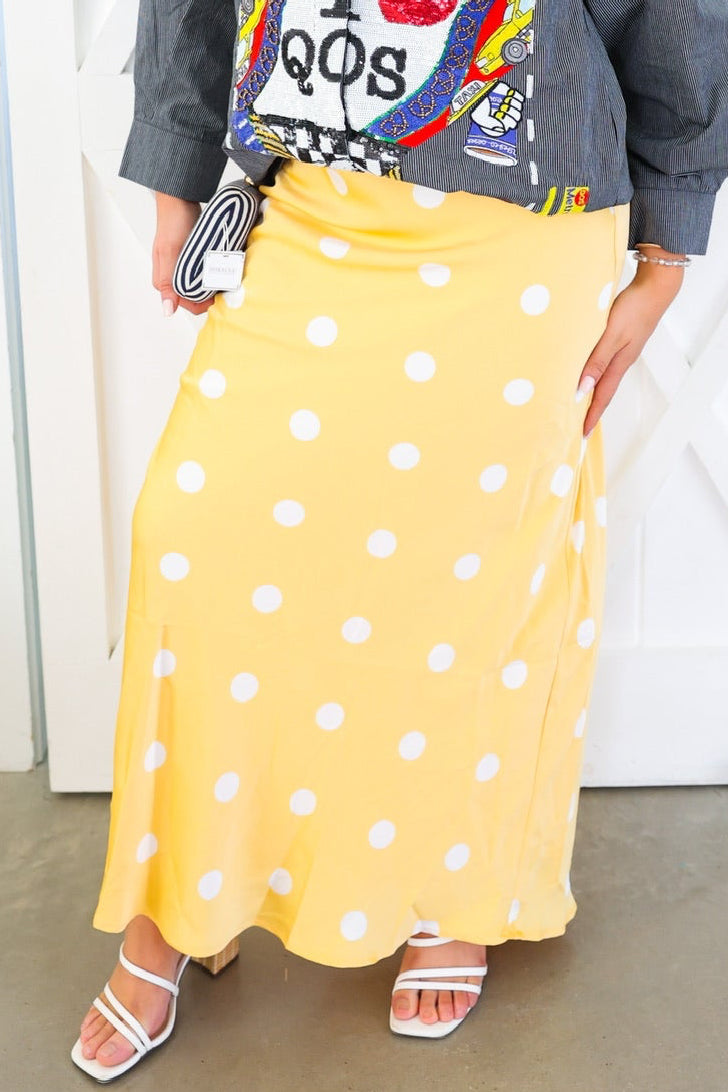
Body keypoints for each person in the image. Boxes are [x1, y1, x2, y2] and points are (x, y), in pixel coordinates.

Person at [72, 0, 728, 1079]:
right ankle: (180, 903)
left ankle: (449, 888)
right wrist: (176, 173)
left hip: (523, 218)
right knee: (195, 537)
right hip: (312, 195)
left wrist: (666, 244)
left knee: (464, 582)